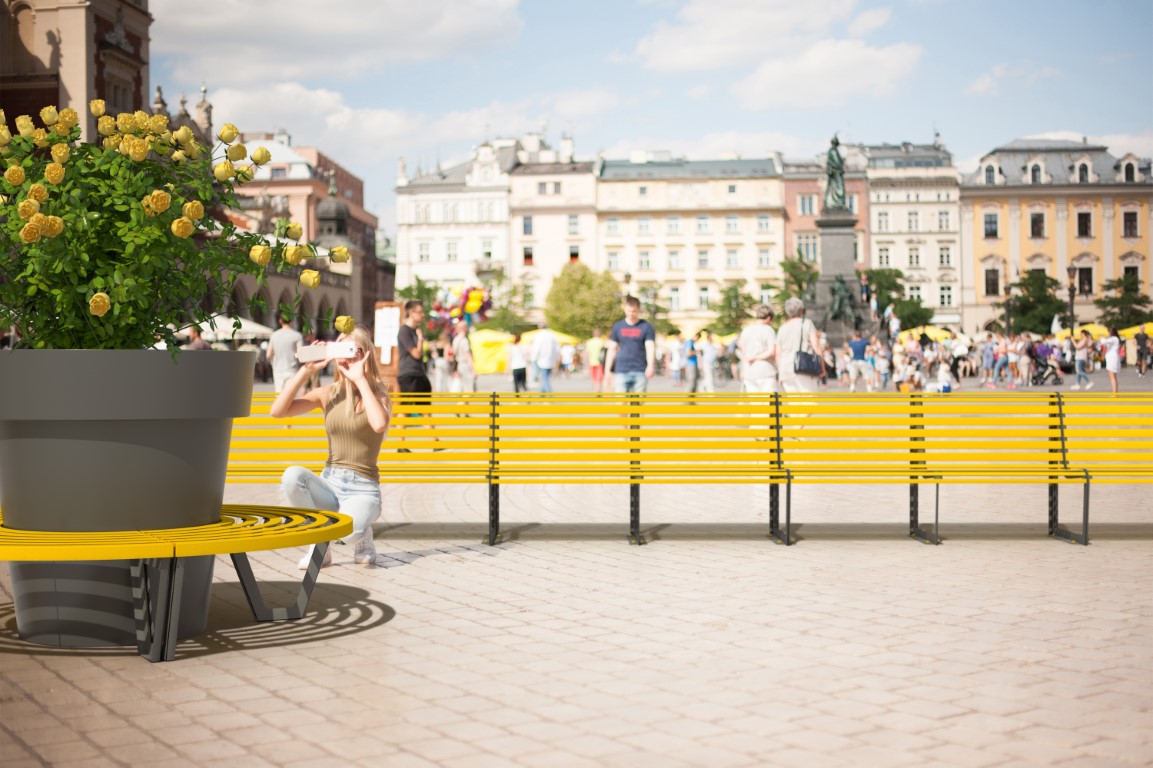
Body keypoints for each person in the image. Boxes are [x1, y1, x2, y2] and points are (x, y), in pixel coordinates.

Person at [271, 324, 391, 569]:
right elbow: (278, 411)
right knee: (292, 476)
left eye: (353, 350)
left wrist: (359, 378)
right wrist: (306, 371)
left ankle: (361, 536)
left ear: (365, 354)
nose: (346, 357)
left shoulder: (378, 394)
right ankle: (320, 547)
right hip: (330, 482)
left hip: (363, 490)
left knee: (348, 533)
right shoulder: (327, 393)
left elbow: (379, 424)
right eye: (341, 350)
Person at [604, 296, 656, 393]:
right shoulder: (617, 326)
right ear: (624, 309)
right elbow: (612, 349)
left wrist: (650, 366)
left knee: (638, 402)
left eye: (634, 311)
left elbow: (650, 347)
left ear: (639, 309)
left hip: (640, 370)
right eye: (629, 311)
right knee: (621, 402)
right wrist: (607, 371)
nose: (631, 314)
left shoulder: (646, 326)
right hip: (621, 370)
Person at [776, 297, 824, 393]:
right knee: (809, 402)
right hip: (804, 367)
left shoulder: (782, 328)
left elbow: (778, 354)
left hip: (786, 369)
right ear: (802, 310)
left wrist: (780, 373)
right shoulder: (807, 324)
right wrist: (821, 366)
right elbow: (817, 346)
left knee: (794, 403)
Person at [737, 304, 778, 393]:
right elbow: (772, 351)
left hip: (749, 371)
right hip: (765, 371)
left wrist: (743, 370)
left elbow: (743, 352)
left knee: (755, 404)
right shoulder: (768, 330)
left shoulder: (746, 330)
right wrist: (756, 357)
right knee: (768, 404)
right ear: (768, 318)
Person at [268, 314, 304, 392]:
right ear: (291, 321)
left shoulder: (274, 335)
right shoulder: (297, 335)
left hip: (278, 369)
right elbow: (300, 354)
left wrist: (273, 363)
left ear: (280, 321)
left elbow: (268, 355)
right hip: (292, 369)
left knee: (279, 396)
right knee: (289, 395)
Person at [529, 322, 560, 393]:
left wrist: (533, 359)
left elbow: (536, 349)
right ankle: (542, 395)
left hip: (541, 360)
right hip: (550, 360)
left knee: (545, 378)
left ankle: (549, 395)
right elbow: (557, 349)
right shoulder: (552, 335)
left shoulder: (538, 336)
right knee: (545, 378)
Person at [451, 323, 475, 392]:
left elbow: (453, 355)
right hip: (465, 365)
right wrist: (473, 369)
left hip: (459, 365)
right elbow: (468, 355)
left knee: (462, 387)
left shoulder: (455, 339)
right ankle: (463, 402)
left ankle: (462, 402)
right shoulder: (464, 340)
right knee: (468, 388)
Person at [585, 328, 606, 393]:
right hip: (600, 362)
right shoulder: (602, 342)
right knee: (599, 377)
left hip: (592, 362)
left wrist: (586, 363)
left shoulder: (589, 342)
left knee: (594, 377)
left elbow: (587, 353)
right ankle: (597, 389)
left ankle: (596, 388)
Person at [1102, 328, 1122, 394]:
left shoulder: (1114, 338)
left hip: (1112, 359)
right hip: (1111, 358)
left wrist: (1102, 338)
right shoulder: (1113, 339)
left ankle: (1114, 393)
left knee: (1112, 376)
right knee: (1113, 377)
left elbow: (1103, 341)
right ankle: (1115, 392)